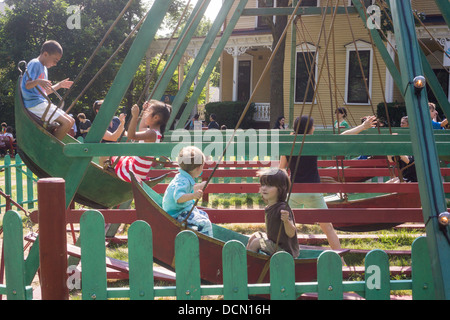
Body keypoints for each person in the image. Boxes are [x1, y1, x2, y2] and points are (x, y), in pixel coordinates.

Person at [279, 115, 376, 254]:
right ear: (309, 129)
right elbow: (341, 137)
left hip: (294, 191)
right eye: (312, 126)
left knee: (284, 225)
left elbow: (281, 169)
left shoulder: (290, 144)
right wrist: (363, 126)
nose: (314, 128)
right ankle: (341, 261)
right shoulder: (314, 142)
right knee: (328, 229)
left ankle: (279, 255)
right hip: (313, 191)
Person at [21, 40, 74, 140]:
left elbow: (44, 93)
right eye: (55, 60)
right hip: (34, 104)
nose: (55, 64)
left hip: (41, 102)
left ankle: (50, 140)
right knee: (66, 123)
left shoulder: (44, 68)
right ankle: (51, 148)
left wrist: (59, 85)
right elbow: (27, 85)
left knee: (71, 121)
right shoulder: (35, 63)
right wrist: (38, 81)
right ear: (45, 54)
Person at [111, 100, 172, 183]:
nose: (145, 114)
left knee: (109, 156)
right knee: (122, 157)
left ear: (156, 117)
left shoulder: (151, 133)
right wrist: (144, 110)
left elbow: (131, 135)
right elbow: (141, 128)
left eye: (147, 112)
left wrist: (135, 116)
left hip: (134, 171)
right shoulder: (155, 133)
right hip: (140, 171)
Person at [246, 168, 299, 257]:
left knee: (256, 243)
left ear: (280, 188)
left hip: (284, 250)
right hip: (274, 242)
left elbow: (291, 233)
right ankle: (246, 256)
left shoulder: (282, 208)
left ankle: (249, 263)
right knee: (255, 236)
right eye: (263, 184)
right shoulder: (270, 207)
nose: (264, 188)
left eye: (269, 185)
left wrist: (286, 221)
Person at [162, 146, 213, 237]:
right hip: (177, 214)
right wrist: (194, 195)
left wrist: (200, 186)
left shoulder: (184, 177)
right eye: (203, 166)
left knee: (204, 215)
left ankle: (197, 237)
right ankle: (207, 246)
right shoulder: (183, 180)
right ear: (198, 168)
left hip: (182, 210)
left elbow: (187, 190)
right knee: (205, 223)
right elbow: (179, 197)